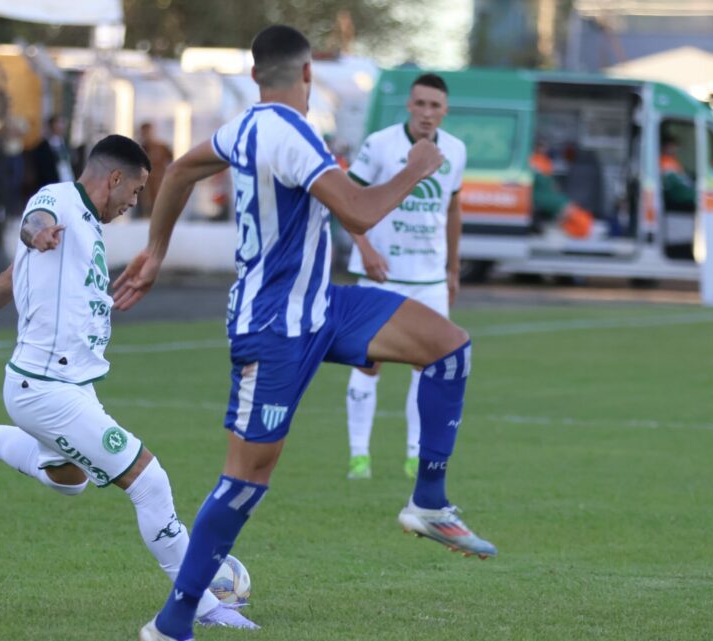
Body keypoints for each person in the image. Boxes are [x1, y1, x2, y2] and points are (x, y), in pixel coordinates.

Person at [115, 26, 495, 641]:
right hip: (273, 330)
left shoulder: (245, 125)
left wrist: (156, 250)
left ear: (257, 73)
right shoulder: (289, 134)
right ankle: (172, 622)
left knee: (448, 346)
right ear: (309, 74)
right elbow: (362, 211)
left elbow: (181, 169)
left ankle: (428, 502)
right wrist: (419, 167)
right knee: (248, 477)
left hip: (324, 306)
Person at [0, 134, 257, 631]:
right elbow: (31, 224)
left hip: (67, 386)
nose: (134, 203)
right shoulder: (60, 201)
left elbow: (12, 274)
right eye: (137, 190)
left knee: (70, 480)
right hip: (46, 387)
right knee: (150, 481)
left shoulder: (86, 227)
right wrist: (35, 232)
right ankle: (202, 607)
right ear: (116, 178)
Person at [342, 73, 466, 482]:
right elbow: (347, 200)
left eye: (436, 106)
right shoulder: (380, 145)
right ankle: (359, 456)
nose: (428, 113)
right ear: (409, 106)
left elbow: (451, 209)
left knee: (430, 365)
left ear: (446, 110)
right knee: (367, 364)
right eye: (421, 104)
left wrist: (452, 269)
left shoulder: (456, 151)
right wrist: (367, 250)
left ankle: (416, 453)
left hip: (429, 280)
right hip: (382, 274)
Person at [30, 113, 76, 191]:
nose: (61, 126)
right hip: (52, 185)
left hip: (68, 183)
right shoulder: (42, 147)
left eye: (63, 123)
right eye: (58, 123)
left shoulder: (65, 144)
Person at [137, 122, 173, 218]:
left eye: (148, 131)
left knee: (159, 199)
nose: (146, 134)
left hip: (159, 179)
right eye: (144, 132)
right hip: (146, 182)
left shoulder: (162, 147)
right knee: (146, 202)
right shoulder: (140, 148)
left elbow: (171, 161)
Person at [660, 134, 695, 212]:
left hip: (683, 190)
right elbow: (675, 181)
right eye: (672, 146)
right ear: (665, 147)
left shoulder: (672, 160)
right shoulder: (664, 161)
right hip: (678, 195)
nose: (674, 149)